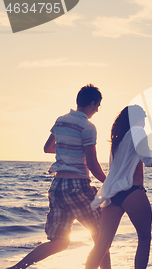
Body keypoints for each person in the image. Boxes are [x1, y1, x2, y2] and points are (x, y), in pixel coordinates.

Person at [8, 84, 111, 269]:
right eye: (98, 106)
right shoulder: (88, 126)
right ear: (93, 103)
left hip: (57, 187)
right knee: (102, 237)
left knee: (60, 242)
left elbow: (47, 148)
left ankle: (17, 267)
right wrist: (109, 182)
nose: (97, 110)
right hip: (77, 185)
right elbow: (93, 163)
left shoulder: (60, 121)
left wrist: (67, 148)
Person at [85, 105, 152, 269]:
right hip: (132, 191)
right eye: (144, 117)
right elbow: (148, 160)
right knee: (144, 238)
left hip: (112, 195)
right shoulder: (138, 132)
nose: (145, 121)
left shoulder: (118, 140)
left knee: (102, 245)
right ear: (138, 118)